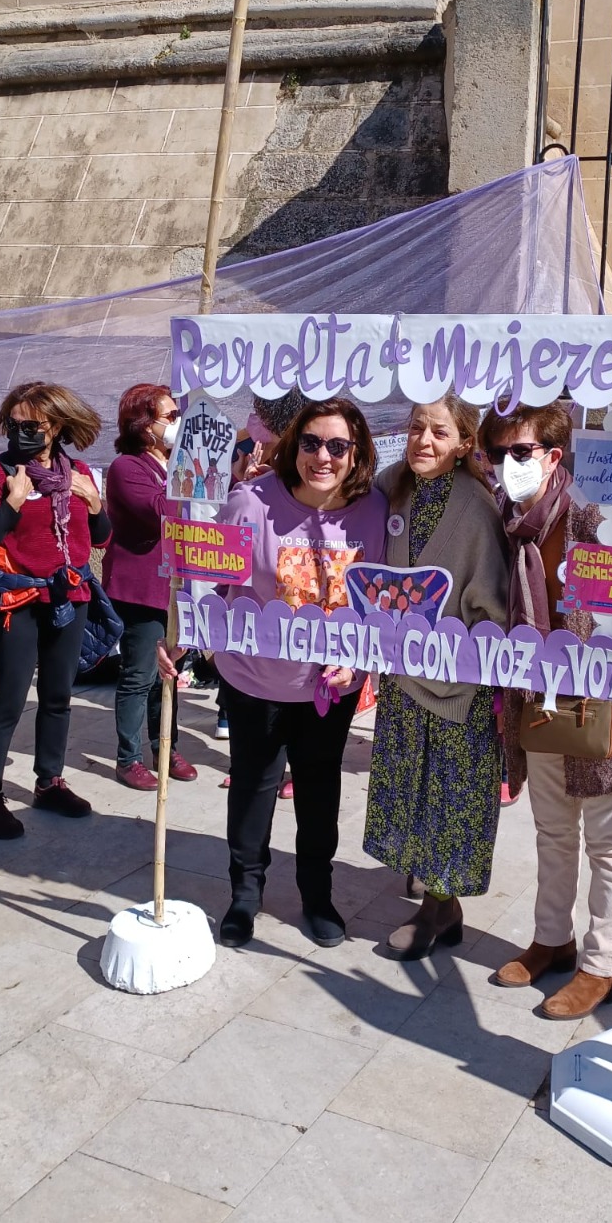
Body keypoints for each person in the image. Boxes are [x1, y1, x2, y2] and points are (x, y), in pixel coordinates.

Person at [160, 397, 385, 950]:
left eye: (337, 446)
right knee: (254, 788)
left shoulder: (374, 511)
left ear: (356, 454)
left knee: (318, 791)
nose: (322, 457)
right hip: (254, 682)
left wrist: (359, 659)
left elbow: (380, 598)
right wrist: (199, 646)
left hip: (329, 690)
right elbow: (209, 580)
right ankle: (245, 893)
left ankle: (316, 892)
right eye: (310, 443)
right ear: (293, 446)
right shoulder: (251, 502)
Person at [481, 398, 612, 1021]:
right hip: (540, 701)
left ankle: (601, 966)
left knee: (611, 844)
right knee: (553, 831)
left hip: (608, 704)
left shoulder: (600, 515)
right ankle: (551, 938)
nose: (507, 465)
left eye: (521, 452)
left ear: (553, 455)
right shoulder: (513, 522)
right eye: (497, 453)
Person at [363, 397, 509, 959]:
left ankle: (441, 910)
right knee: (411, 789)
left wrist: (461, 647)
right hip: (405, 676)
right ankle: (427, 877)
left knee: (448, 796)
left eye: (439, 432)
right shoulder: (396, 485)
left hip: (456, 683)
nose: (424, 439)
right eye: (417, 426)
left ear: (464, 443)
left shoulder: (475, 506)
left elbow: (493, 605)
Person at [0, 382, 110, 839]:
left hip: (69, 597)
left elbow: (100, 538)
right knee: (9, 698)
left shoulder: (79, 471)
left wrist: (95, 503)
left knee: (58, 695)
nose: (21, 433)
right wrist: (12, 503)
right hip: (16, 599)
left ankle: (49, 782)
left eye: (32, 426)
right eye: (14, 424)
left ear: (57, 426)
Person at [103, 384, 198, 791]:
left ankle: (166, 746)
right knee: (140, 674)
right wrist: (192, 475)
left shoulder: (171, 462)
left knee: (170, 674)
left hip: (177, 584)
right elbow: (161, 513)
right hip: (141, 587)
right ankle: (129, 758)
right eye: (170, 417)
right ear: (144, 425)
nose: (177, 424)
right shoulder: (128, 467)